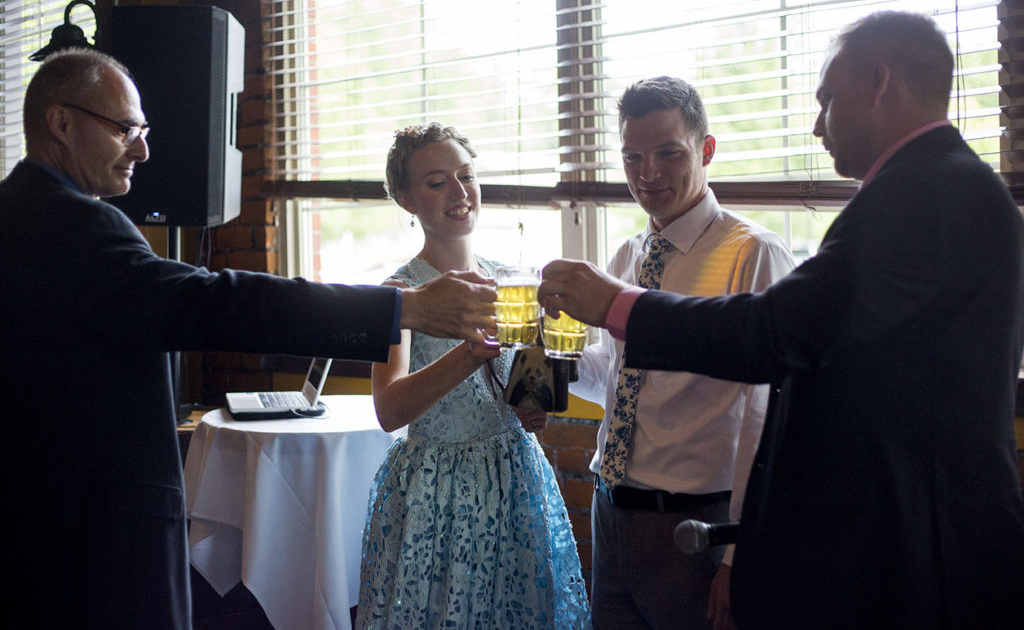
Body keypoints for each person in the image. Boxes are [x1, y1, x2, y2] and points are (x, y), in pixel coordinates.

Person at [538, 11, 1024, 628]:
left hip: (919, 541)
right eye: (633, 157)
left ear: (878, 83)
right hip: (626, 515)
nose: (817, 123)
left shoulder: (923, 193)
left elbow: (773, 337)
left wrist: (615, 304)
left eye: (825, 97)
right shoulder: (938, 185)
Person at [0, 49, 498, 630]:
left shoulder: (20, 213)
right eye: (125, 129)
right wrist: (399, 308)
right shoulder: (75, 226)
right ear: (61, 123)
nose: (143, 148)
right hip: (90, 531)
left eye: (144, 130)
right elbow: (217, 301)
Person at [566, 76, 795, 629]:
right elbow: (613, 378)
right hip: (610, 509)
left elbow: (769, 417)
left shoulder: (753, 253)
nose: (648, 174)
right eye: (633, 157)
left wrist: (740, 555)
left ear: (706, 150)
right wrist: (539, 358)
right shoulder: (626, 253)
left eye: (669, 153)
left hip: (698, 526)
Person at [355, 123, 591, 629]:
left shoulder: (513, 279)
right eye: (437, 182)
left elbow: (531, 396)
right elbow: (389, 409)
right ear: (406, 199)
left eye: (466, 176)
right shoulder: (400, 293)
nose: (460, 193)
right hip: (438, 493)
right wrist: (468, 352)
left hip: (515, 478)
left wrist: (537, 404)